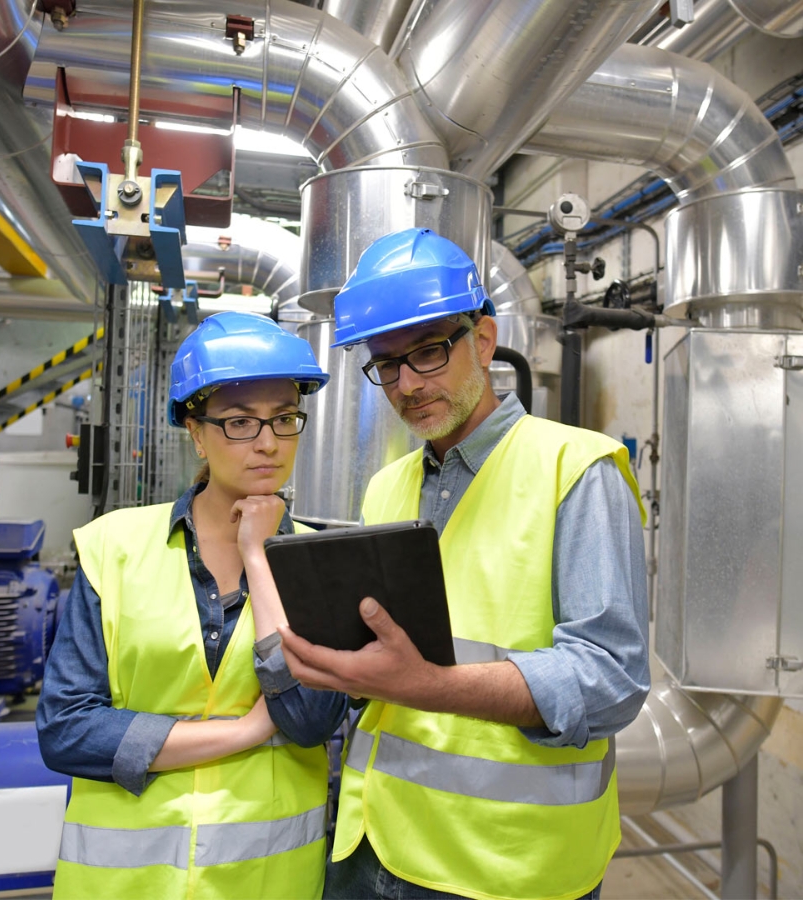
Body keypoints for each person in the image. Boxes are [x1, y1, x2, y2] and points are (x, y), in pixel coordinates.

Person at [278, 228, 651, 900]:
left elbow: (611, 680)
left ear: (483, 339)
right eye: (385, 364)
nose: (407, 385)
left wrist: (427, 685)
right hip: (372, 843)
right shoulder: (387, 486)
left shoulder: (576, 471)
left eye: (426, 353)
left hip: (505, 869)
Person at [37, 311, 348, 900]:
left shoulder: (317, 559)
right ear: (195, 430)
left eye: (284, 419)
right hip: (125, 885)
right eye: (238, 423)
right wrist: (250, 730)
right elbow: (67, 731)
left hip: (266, 883)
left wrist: (260, 555)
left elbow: (310, 721)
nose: (268, 442)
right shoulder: (114, 546)